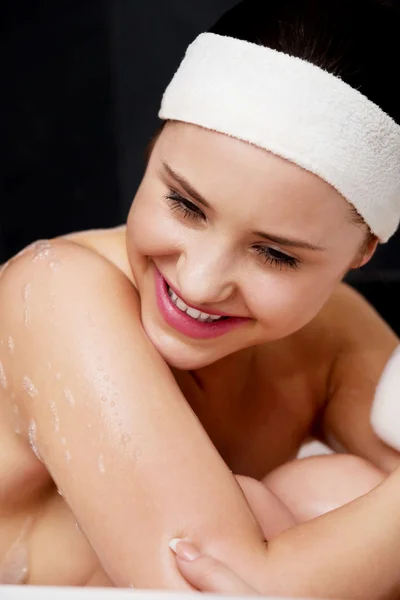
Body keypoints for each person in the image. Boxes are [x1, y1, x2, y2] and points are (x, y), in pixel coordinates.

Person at [0, 0, 399, 596]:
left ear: (362, 251)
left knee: (337, 493)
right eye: (184, 205)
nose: (199, 283)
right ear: (154, 148)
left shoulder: (334, 335)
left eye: (276, 255)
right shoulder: (52, 293)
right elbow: (210, 591)